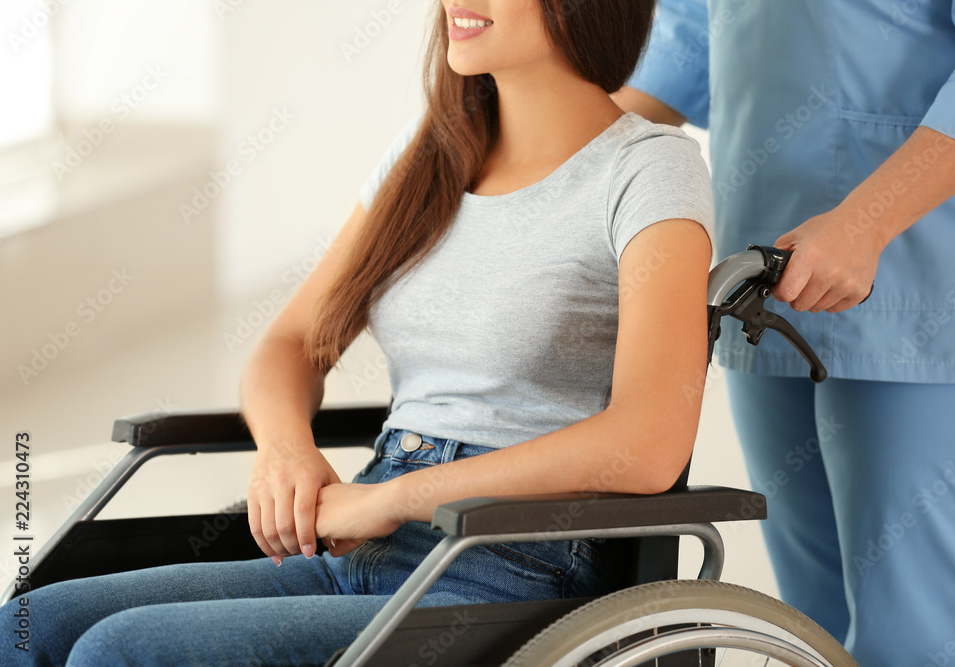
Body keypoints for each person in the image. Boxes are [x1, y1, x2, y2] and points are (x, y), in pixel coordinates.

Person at [0, 1, 716, 663]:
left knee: (120, 653)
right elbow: (288, 343)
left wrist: (398, 498)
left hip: (506, 565)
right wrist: (286, 452)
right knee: (29, 627)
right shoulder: (429, 156)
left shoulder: (647, 169)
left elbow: (648, 442)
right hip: (359, 536)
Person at [613, 1, 955, 664]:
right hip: (762, 274)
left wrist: (865, 223)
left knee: (914, 638)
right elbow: (689, 33)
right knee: (809, 631)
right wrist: (564, 167)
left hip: (921, 283)